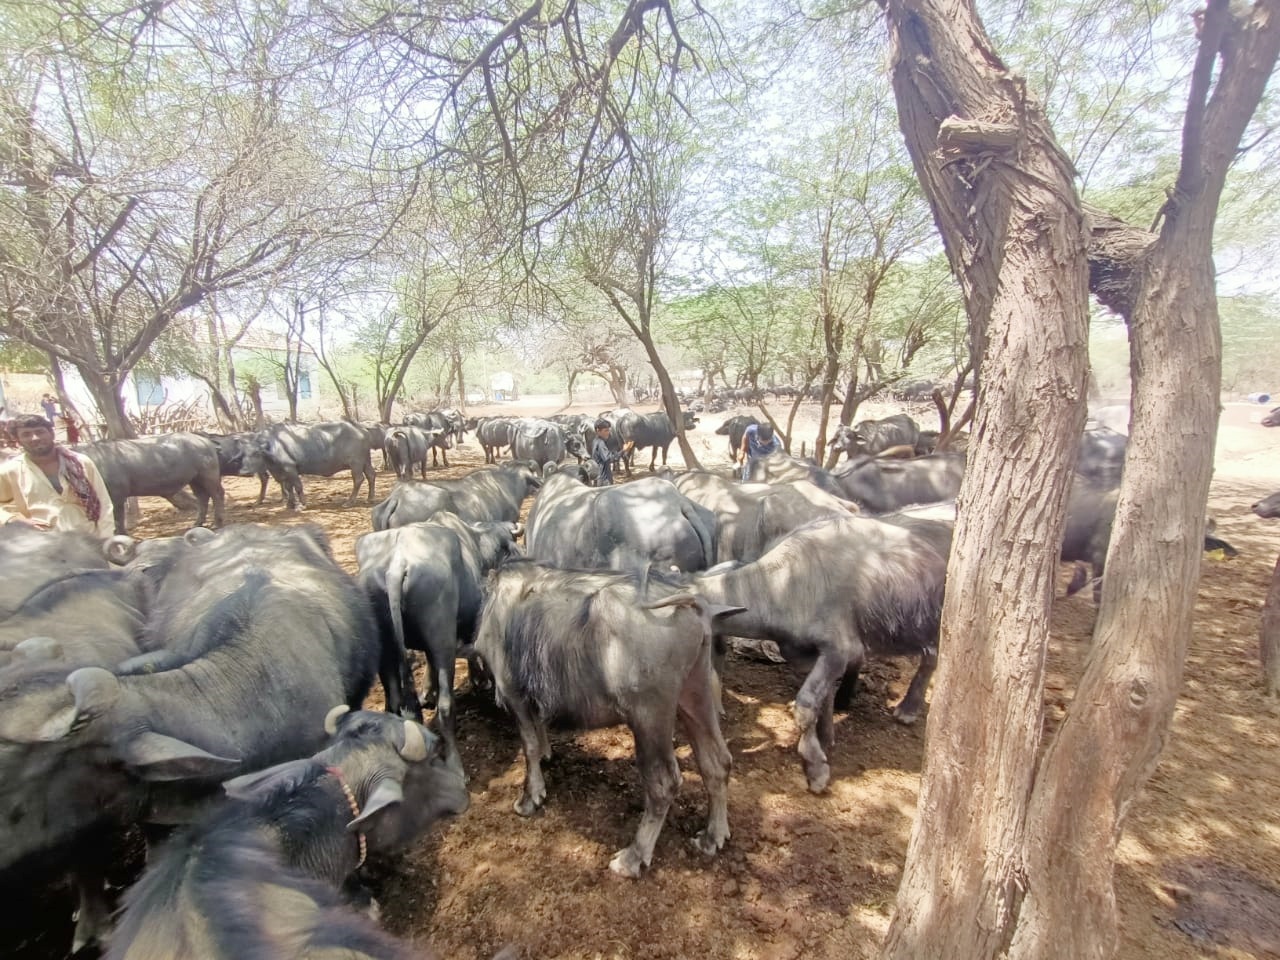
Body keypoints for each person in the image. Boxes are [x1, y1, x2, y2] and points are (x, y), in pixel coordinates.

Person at [0, 414, 114, 535]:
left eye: (40, 432)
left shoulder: (81, 463)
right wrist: (15, 520)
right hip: (43, 544)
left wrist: (106, 538)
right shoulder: (10, 471)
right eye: (26, 434)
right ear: (18, 440)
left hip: (88, 538)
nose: (35, 438)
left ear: (52, 434)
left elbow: (103, 502)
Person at [591, 418, 633, 487]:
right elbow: (608, 459)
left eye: (608, 430)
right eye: (606, 431)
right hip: (604, 480)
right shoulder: (600, 443)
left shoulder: (595, 441)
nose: (608, 433)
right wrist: (624, 450)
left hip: (598, 479)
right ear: (598, 431)